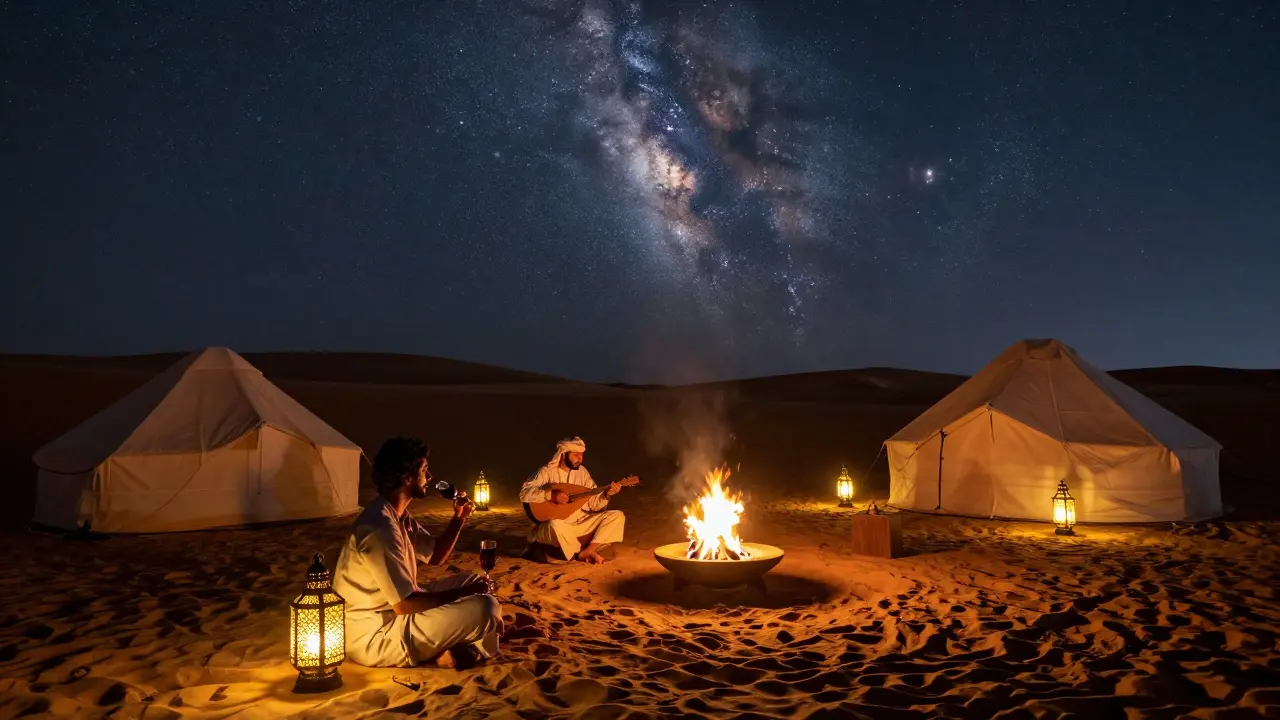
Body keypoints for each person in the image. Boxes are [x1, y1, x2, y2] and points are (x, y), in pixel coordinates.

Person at [332, 437, 502, 669]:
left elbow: (436, 557)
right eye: (424, 470)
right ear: (407, 477)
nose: (430, 477)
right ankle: (473, 650)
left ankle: (467, 646)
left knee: (473, 581)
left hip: (398, 612)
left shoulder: (398, 515)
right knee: (485, 608)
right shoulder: (378, 527)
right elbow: (405, 605)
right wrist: (469, 593)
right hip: (376, 634)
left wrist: (459, 518)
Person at [519, 436, 626, 564]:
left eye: (581, 455)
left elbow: (593, 504)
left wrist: (606, 495)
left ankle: (586, 551)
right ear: (563, 455)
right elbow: (524, 493)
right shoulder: (547, 472)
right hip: (556, 526)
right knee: (555, 525)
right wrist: (550, 495)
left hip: (579, 523)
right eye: (576, 455)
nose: (580, 458)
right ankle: (580, 550)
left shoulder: (582, 473)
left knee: (617, 516)